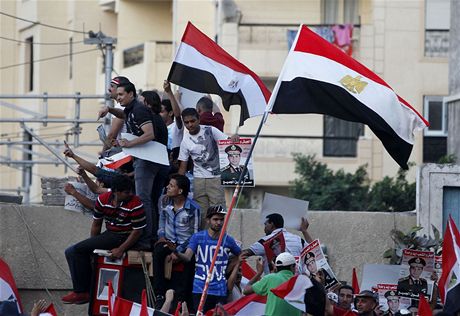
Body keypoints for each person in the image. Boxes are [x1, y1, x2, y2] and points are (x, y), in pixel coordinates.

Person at [98, 81, 169, 244]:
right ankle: (149, 235)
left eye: (121, 94)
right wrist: (109, 109)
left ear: (131, 94)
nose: (118, 97)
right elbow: (123, 115)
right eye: (118, 94)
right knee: (149, 198)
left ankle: (145, 238)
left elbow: (149, 134)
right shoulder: (132, 110)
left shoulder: (139, 109)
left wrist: (129, 144)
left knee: (143, 198)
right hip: (150, 159)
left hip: (148, 160)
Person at [61, 175, 146, 304]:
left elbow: (137, 231)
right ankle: (86, 290)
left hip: (125, 236)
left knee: (73, 251)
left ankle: (82, 292)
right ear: (116, 192)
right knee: (73, 251)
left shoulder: (135, 203)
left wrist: (121, 249)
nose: (130, 194)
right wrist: (92, 247)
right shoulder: (103, 200)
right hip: (110, 234)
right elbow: (96, 224)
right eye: (126, 192)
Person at [176, 205, 241, 314]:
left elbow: (241, 255)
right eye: (215, 219)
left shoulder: (228, 240)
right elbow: (187, 257)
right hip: (200, 288)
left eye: (221, 219)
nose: (219, 222)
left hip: (220, 290)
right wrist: (175, 252)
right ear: (207, 220)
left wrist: (231, 266)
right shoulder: (197, 237)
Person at [178, 108, 233, 223]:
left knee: (218, 212)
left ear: (198, 119)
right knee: (201, 214)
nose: (190, 125)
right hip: (198, 180)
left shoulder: (211, 130)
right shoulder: (185, 141)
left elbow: (228, 142)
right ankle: (203, 239)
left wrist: (235, 138)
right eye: (186, 122)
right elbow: (182, 166)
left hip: (216, 178)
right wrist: (178, 185)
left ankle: (219, 240)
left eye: (192, 121)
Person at [153, 174, 200, 308]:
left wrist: (178, 251)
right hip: (167, 241)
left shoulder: (193, 208)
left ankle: (182, 299)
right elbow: (161, 221)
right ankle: (160, 294)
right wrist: (161, 235)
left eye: (171, 185)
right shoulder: (164, 201)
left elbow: (195, 235)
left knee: (189, 261)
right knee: (157, 252)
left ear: (180, 191)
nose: (167, 187)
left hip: (185, 245)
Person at [241, 213, 312, 273]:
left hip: (275, 286)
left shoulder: (266, 241)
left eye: (265, 225)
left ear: (272, 224)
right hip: (297, 284)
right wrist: (304, 231)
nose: (264, 229)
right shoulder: (298, 239)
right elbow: (312, 249)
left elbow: (244, 254)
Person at [243, 252, 302, 316]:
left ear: (276, 267)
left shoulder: (270, 278)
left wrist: (259, 273)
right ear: (292, 266)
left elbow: (246, 290)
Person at [103, 76, 131, 152]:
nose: (109, 89)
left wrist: (102, 155)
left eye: (112, 86)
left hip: (125, 151)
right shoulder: (124, 105)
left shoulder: (121, 107)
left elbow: (112, 135)